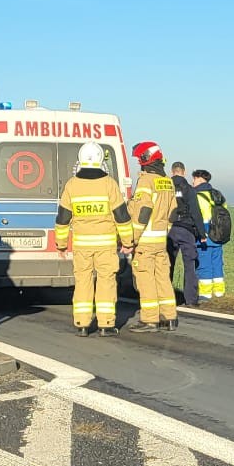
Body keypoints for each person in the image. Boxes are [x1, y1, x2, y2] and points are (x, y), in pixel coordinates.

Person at [54, 141, 135, 336]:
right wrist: (127, 242)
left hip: (82, 245)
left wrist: (61, 245)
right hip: (106, 245)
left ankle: (82, 323)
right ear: (100, 159)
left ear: (80, 160)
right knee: (106, 282)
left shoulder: (72, 185)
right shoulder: (109, 184)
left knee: (83, 282)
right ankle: (106, 324)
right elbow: (122, 217)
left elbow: (63, 218)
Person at [124, 141, 180, 331]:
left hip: (146, 241)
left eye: (140, 159)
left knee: (145, 279)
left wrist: (133, 238)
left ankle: (149, 320)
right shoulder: (167, 181)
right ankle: (169, 316)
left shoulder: (146, 180)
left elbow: (143, 211)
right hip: (160, 241)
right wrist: (165, 230)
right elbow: (173, 212)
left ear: (146, 159)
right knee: (163, 278)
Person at [167, 161, 204, 309]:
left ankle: (167, 297)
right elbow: (196, 212)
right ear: (184, 172)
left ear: (172, 171)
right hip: (186, 229)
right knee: (189, 265)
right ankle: (191, 299)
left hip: (169, 229)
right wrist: (202, 233)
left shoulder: (166, 187)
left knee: (168, 265)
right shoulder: (189, 189)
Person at [191, 168, 228, 299]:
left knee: (203, 264)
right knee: (217, 263)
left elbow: (195, 216)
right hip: (219, 234)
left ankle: (205, 294)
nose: (192, 182)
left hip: (204, 234)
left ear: (199, 179)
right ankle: (219, 292)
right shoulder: (218, 194)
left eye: (194, 179)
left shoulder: (197, 195)